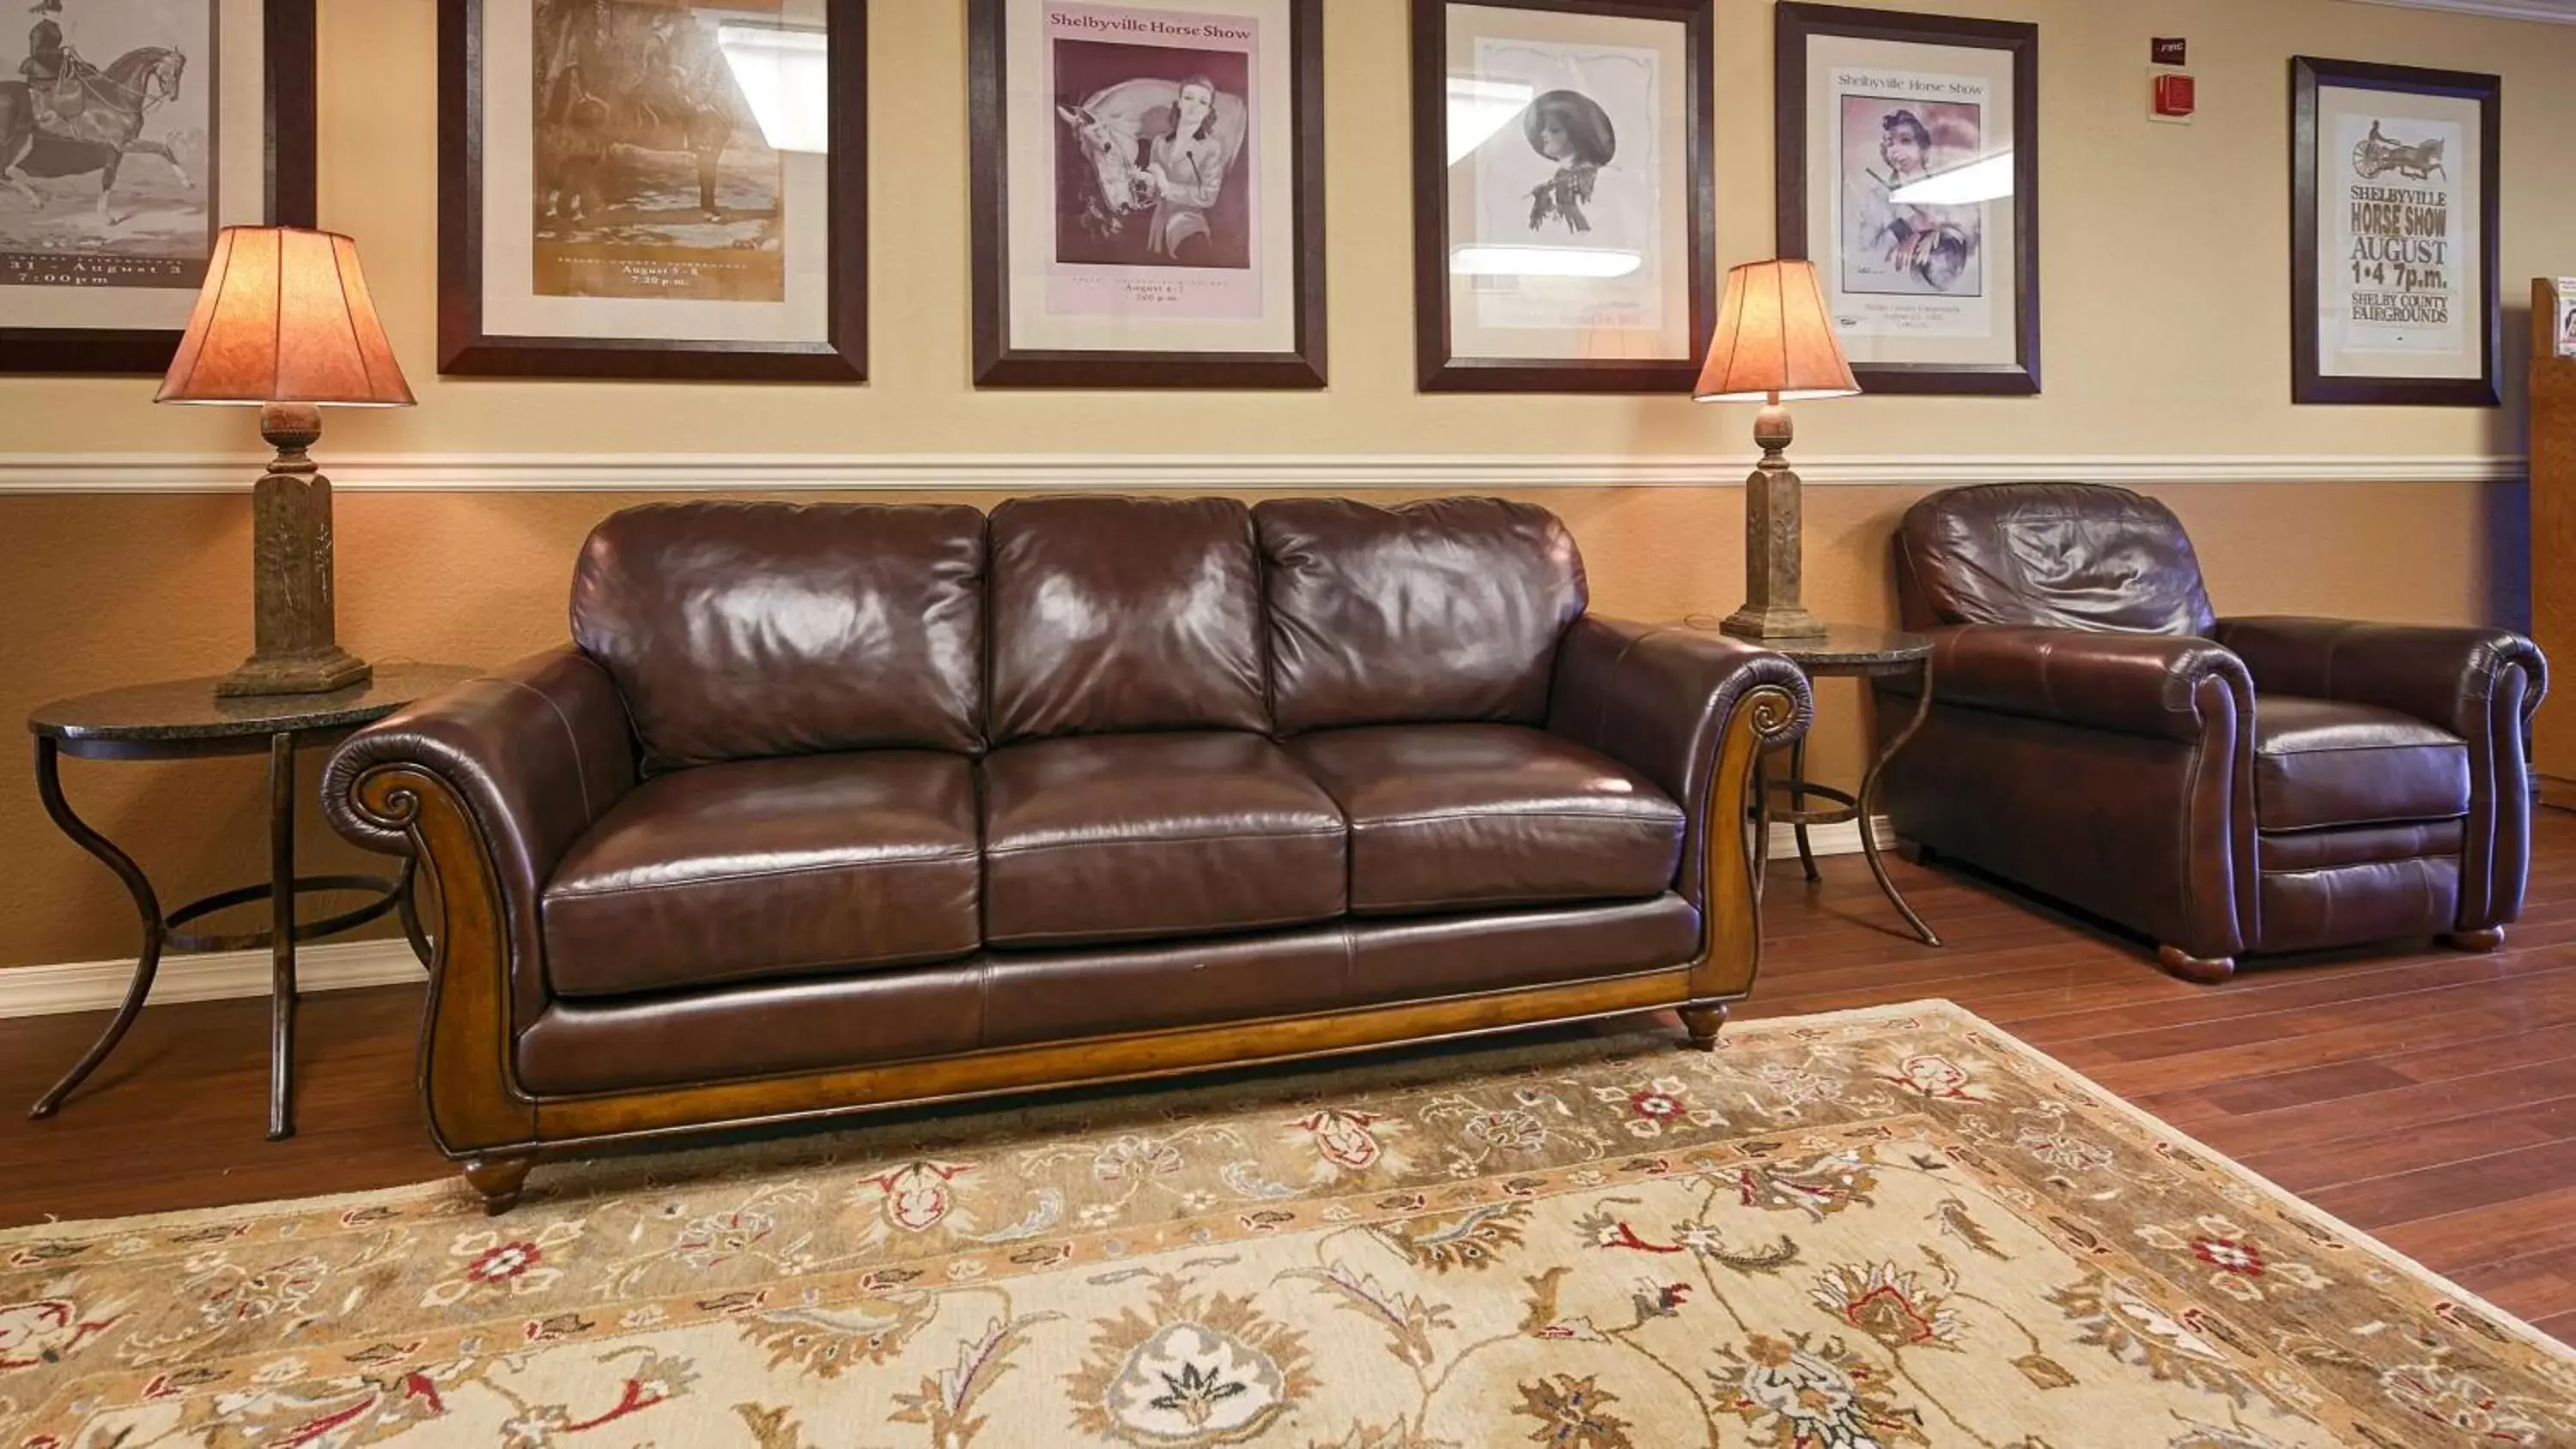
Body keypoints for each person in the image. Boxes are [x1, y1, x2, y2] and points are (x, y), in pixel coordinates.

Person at [1848, 107, 1977, 293]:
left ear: (1922, 147)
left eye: (1905, 141)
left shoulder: (1945, 191)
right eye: (1890, 143)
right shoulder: (1878, 198)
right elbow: (1865, 257)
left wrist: (1939, 233)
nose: (1896, 150)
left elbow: (1971, 238)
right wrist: (1904, 228)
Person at [1139, 75, 1230, 262]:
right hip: (1157, 228)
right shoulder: (1159, 142)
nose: (1194, 106)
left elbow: (1208, 196)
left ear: (1208, 111)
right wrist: (1145, 182)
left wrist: (1166, 186)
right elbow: (1155, 195)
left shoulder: (1211, 147)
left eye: (1202, 102)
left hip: (1189, 226)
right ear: (1179, 102)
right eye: (1188, 98)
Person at [1522, 89, 1614, 234]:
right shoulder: (1549, 185)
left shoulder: (1597, 181)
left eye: (1554, 129)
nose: (1544, 134)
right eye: (1543, 127)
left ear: (1575, 135)